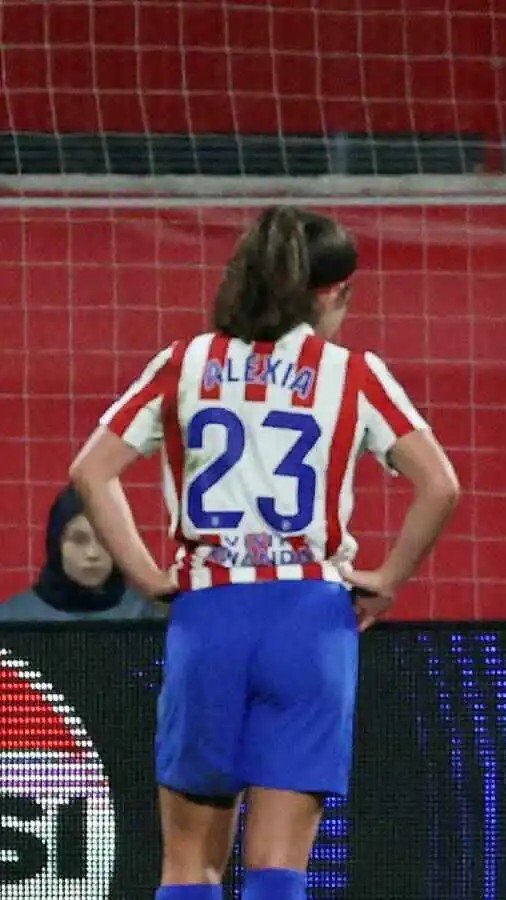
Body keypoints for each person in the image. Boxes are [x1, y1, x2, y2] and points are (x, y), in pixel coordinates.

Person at [66, 205, 460, 900]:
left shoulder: (184, 363)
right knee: (279, 866)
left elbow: (91, 471)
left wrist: (149, 576)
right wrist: (387, 579)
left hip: (210, 611)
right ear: (330, 294)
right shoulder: (352, 373)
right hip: (310, 617)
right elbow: (441, 485)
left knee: (189, 862)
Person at [0, 483, 163, 621]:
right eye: (79, 540)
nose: (92, 553)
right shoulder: (13, 618)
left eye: (105, 539)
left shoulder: (144, 617)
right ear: (57, 545)